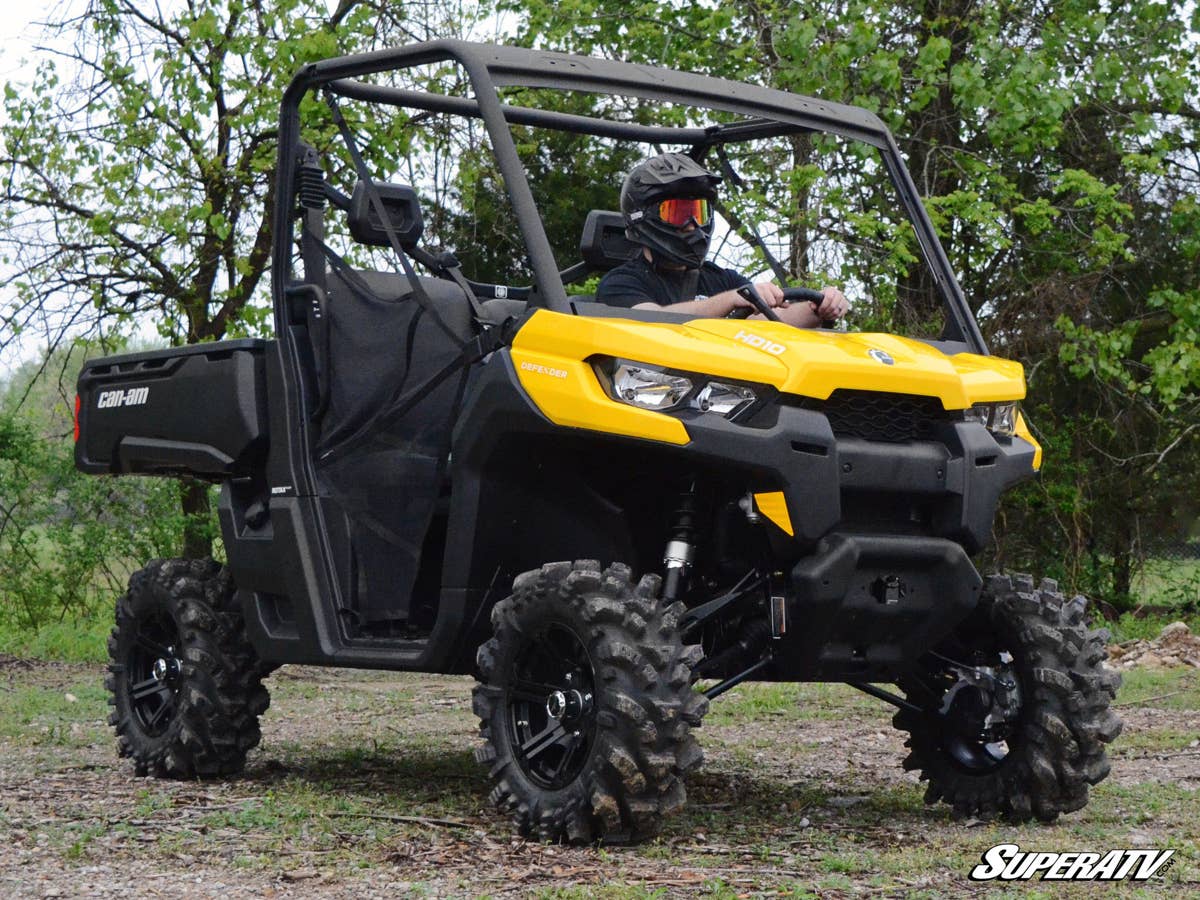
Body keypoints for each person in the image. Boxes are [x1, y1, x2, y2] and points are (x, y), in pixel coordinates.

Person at [595, 152, 848, 325]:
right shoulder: (621, 284)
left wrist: (820, 307)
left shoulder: (723, 280)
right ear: (643, 216)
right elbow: (652, 321)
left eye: (699, 212)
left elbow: (770, 320)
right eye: (678, 213)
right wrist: (730, 300)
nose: (692, 224)